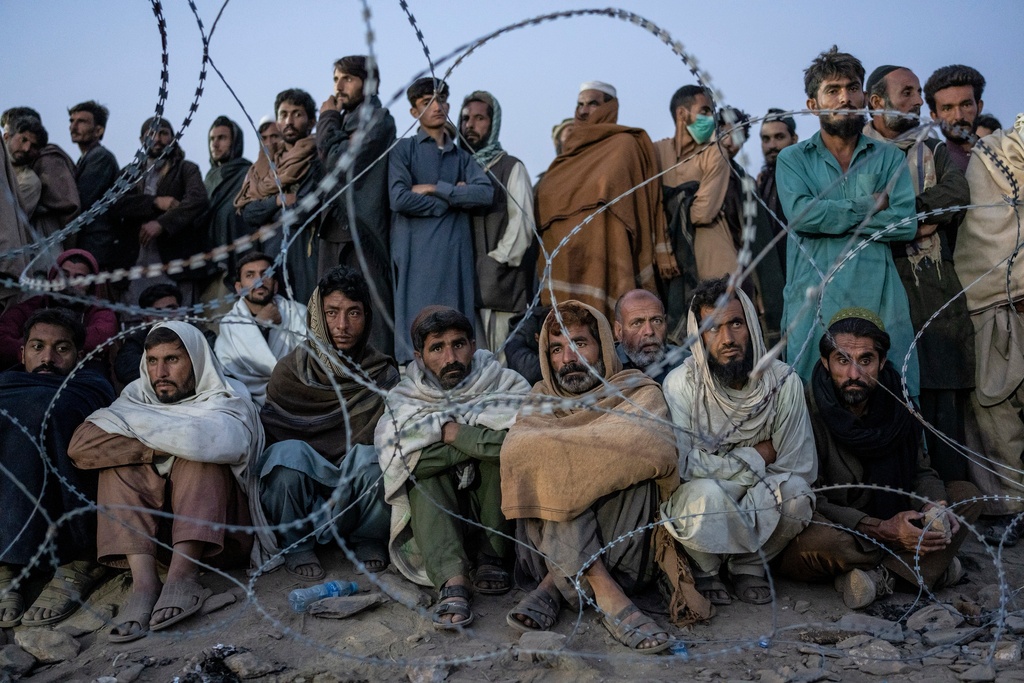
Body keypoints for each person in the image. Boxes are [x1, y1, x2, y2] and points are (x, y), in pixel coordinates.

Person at [500, 301, 678, 653]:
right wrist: (589, 459)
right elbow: (515, 454)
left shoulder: (638, 391)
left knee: (560, 466)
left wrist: (565, 457)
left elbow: (655, 449)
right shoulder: (538, 401)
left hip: (624, 551)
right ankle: (604, 590)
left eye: (579, 343)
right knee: (548, 467)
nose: (568, 358)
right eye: (556, 348)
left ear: (603, 346)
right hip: (545, 552)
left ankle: (555, 585)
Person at [68, 321, 261, 642]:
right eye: (153, 360)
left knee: (199, 459)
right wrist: (157, 449)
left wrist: (149, 438)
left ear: (197, 361)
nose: (160, 371)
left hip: (220, 540)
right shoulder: (136, 398)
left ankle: (182, 579)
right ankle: (145, 586)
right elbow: (81, 446)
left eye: (172, 359)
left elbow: (222, 442)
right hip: (155, 543)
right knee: (119, 466)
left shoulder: (226, 396)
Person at [778, 309, 981, 608]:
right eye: (842, 360)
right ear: (825, 362)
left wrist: (933, 507)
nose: (854, 374)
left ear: (882, 362)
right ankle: (923, 568)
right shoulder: (805, 408)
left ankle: (878, 578)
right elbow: (809, 498)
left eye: (866, 361)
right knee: (822, 543)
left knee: (967, 498)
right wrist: (879, 529)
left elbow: (921, 472)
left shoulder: (899, 405)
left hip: (892, 515)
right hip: (841, 524)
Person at [660, 277, 816, 605]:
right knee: (705, 495)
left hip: (760, 495)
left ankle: (749, 565)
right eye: (713, 329)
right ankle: (707, 567)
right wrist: (759, 454)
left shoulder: (784, 382)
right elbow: (685, 468)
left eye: (735, 323)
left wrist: (722, 464)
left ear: (753, 326)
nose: (727, 339)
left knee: (797, 495)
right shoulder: (682, 385)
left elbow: (796, 465)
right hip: (711, 494)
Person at [776, 46, 919, 396]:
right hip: (813, 306)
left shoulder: (888, 157)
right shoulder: (793, 159)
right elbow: (802, 216)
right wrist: (868, 205)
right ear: (813, 105)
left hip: (880, 301)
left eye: (853, 88)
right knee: (811, 404)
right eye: (833, 90)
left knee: (891, 401)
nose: (846, 98)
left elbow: (904, 224)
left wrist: (828, 215)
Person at [376, 306, 530, 629]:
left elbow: (522, 444)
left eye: (458, 344)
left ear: (473, 345)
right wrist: (475, 442)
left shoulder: (503, 383)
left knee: (503, 459)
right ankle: (451, 578)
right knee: (423, 476)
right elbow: (403, 462)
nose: (450, 358)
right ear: (418, 356)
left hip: (494, 517)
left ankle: (493, 556)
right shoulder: (405, 398)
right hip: (438, 522)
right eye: (437, 348)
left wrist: (449, 433)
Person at [862, 64, 975, 483]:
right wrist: (918, 222)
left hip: (934, 292)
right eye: (906, 92)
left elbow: (956, 193)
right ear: (877, 103)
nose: (917, 102)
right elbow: (860, 214)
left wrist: (903, 213)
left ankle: (956, 515)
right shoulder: (858, 154)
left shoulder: (930, 147)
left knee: (944, 404)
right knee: (889, 397)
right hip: (881, 286)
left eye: (917, 93)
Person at [251, 265, 400, 578]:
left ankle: (367, 536)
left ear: (367, 317)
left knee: (378, 459)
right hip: (304, 486)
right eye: (331, 313)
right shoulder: (290, 371)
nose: (342, 325)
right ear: (316, 316)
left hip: (354, 479)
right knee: (284, 461)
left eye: (353, 313)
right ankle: (297, 543)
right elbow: (274, 438)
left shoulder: (381, 373)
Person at [0, 309, 114, 627]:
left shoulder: (89, 385)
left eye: (61, 348)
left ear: (78, 354)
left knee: (54, 411)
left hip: (71, 521)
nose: (48, 357)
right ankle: (5, 559)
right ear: (22, 353)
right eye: (38, 347)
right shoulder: (6, 383)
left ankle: (81, 560)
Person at [536, 81, 676, 323]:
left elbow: (636, 205)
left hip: (610, 250)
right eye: (580, 104)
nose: (583, 111)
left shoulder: (625, 144)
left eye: (593, 103)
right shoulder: (569, 154)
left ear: (610, 107)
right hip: (565, 258)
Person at [388, 77, 493, 364]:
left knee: (455, 336)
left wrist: (437, 188)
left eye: (441, 100)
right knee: (417, 341)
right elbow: (399, 198)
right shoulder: (404, 150)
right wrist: (453, 200)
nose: (437, 107)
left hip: (454, 261)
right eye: (427, 103)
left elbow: (485, 193)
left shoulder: (461, 156)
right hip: (417, 260)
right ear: (414, 112)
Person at [954, 113, 1024, 543]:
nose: (956, 116)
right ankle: (1011, 507)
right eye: (946, 107)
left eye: (966, 105)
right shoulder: (961, 160)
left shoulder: (997, 152)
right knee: (994, 409)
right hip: (986, 303)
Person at [317, 56, 397, 357]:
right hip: (333, 232)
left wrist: (326, 119)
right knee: (330, 317)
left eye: (347, 78)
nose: (339, 86)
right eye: (336, 79)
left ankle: (377, 385)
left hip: (363, 233)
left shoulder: (378, 119)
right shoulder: (342, 121)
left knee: (367, 316)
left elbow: (341, 162)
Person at [459, 90, 538, 357]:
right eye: (466, 118)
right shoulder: (457, 170)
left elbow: (522, 227)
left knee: (501, 370)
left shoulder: (510, 168)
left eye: (479, 118)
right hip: (464, 289)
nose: (470, 125)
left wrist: (494, 263)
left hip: (501, 292)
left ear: (493, 124)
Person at [109, 116, 211, 306]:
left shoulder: (186, 169)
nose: (157, 139)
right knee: (137, 322)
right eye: (151, 134)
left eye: (163, 133)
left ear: (172, 138)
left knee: (178, 322)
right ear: (142, 140)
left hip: (176, 264)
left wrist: (163, 223)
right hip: (136, 264)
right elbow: (114, 203)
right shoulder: (129, 173)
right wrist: (155, 202)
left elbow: (197, 200)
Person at [235, 89, 322, 303]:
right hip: (271, 260)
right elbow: (248, 213)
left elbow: (301, 212)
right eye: (283, 114)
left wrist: (267, 211)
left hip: (306, 256)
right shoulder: (265, 164)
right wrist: (277, 201)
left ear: (311, 121)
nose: (289, 121)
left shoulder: (317, 159)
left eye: (297, 114)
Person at [715, 106, 785, 344]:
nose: (729, 142)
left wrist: (763, 291)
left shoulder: (743, 181)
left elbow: (758, 240)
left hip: (738, 272)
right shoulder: (696, 171)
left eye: (737, 137)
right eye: (724, 133)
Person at [655, 85, 736, 283]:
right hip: (669, 263)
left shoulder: (715, 153)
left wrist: (665, 209)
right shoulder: (656, 152)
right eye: (705, 111)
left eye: (712, 112)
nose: (711, 118)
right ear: (682, 114)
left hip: (713, 263)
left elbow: (703, 213)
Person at [0, 247, 117, 371]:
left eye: (79, 279)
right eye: (63, 275)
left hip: (81, 377)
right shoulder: (31, 306)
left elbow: (98, 339)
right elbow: (2, 339)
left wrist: (36, 346)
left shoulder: (100, 313)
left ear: (91, 286)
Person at [215, 251, 307, 405]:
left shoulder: (298, 313)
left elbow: (309, 361)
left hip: (298, 398)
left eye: (265, 274)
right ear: (238, 288)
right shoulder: (229, 325)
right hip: (248, 405)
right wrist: (260, 325)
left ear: (276, 285)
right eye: (250, 275)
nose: (259, 281)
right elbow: (230, 374)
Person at [69, 101, 119, 269]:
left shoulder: (100, 157)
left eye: (81, 121)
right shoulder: (86, 158)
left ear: (99, 130)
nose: (73, 126)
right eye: (71, 121)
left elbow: (82, 200)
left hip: (96, 246)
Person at [204, 116, 252, 286]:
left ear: (235, 142)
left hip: (239, 265)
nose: (215, 144)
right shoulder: (209, 179)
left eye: (222, 138)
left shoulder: (247, 173)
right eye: (212, 139)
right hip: (207, 267)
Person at [112, 282, 188, 386]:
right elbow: (125, 370)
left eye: (172, 309)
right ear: (146, 319)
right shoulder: (136, 341)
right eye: (158, 312)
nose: (166, 316)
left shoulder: (200, 335)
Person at [756, 108, 799, 272]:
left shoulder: (805, 176)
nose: (772, 145)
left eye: (779, 137)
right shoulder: (762, 182)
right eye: (766, 139)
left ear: (794, 139)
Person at [613, 289, 685, 383]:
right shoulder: (607, 368)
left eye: (656, 321)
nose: (649, 331)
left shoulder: (686, 363)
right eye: (637, 323)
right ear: (619, 331)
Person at [924, 65, 987, 172]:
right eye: (947, 109)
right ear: (934, 116)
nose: (958, 116)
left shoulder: (1005, 154)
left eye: (966, 105)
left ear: (979, 107)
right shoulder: (930, 166)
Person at [3, 114, 45, 218]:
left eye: (33, 146)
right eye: (23, 140)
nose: (26, 149)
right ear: (7, 137)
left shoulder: (29, 182)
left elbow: (7, 216)